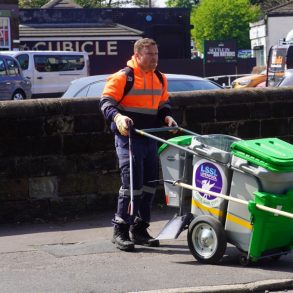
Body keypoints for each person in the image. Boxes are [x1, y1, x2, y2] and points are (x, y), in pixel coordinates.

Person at [99, 38, 177, 252]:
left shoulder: (160, 78)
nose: (155, 58)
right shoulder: (124, 76)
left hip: (149, 138)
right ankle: (121, 231)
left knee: (150, 184)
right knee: (131, 185)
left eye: (156, 54)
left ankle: (140, 229)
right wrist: (118, 118)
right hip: (129, 138)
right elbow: (106, 103)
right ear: (137, 55)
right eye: (150, 54)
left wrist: (167, 118)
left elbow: (163, 105)